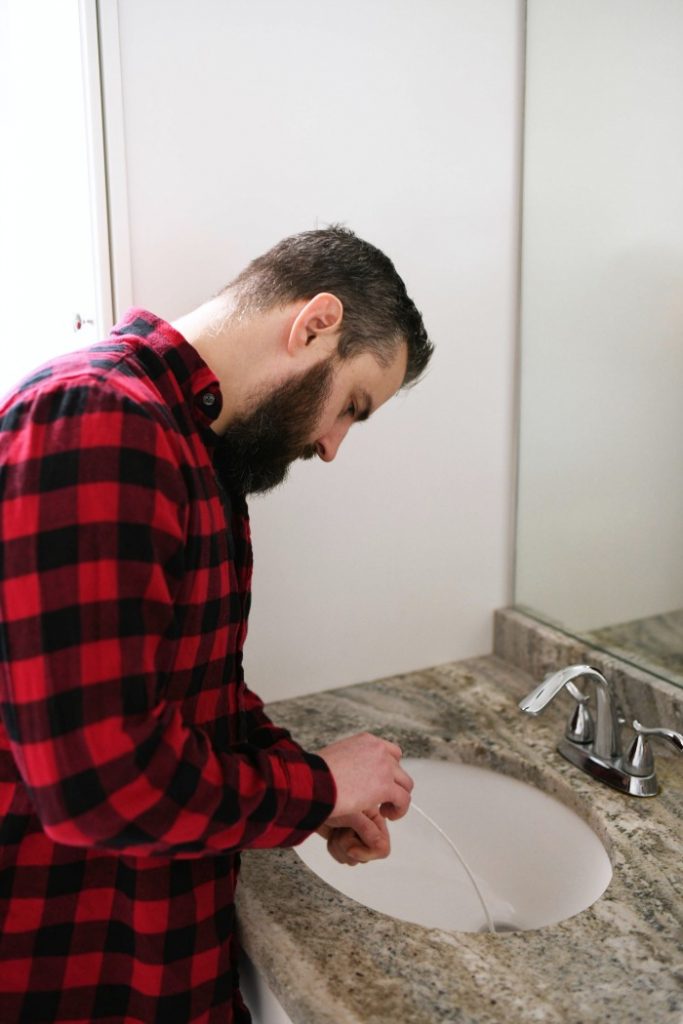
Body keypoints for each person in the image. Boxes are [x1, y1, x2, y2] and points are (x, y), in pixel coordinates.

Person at [0, 225, 433, 1023]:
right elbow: (97, 784)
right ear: (314, 324)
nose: (333, 445)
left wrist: (318, 798)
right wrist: (321, 784)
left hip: (155, 947)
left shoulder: (192, 451)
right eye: (351, 407)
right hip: (73, 965)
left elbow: (203, 697)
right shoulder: (99, 419)